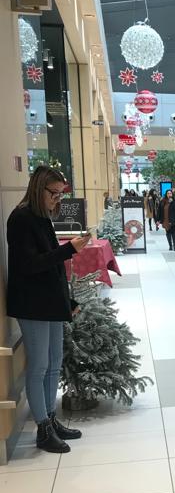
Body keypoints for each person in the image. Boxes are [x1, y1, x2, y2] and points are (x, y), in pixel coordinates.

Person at [5, 166, 89, 453]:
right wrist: (70, 249)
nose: (57, 199)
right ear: (38, 188)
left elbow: (52, 267)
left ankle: (50, 420)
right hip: (32, 304)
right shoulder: (21, 219)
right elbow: (29, 265)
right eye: (53, 193)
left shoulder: (41, 218)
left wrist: (68, 303)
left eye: (60, 194)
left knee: (54, 364)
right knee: (39, 366)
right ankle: (42, 427)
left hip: (50, 302)